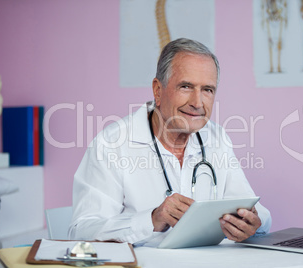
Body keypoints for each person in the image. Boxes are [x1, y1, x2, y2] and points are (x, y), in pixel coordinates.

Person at [68, 38, 271, 246]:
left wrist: (254, 222)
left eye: (207, 90)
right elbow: (82, 231)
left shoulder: (217, 138)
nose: (197, 102)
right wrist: (153, 219)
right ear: (158, 90)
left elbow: (254, 209)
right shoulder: (110, 144)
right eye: (185, 86)